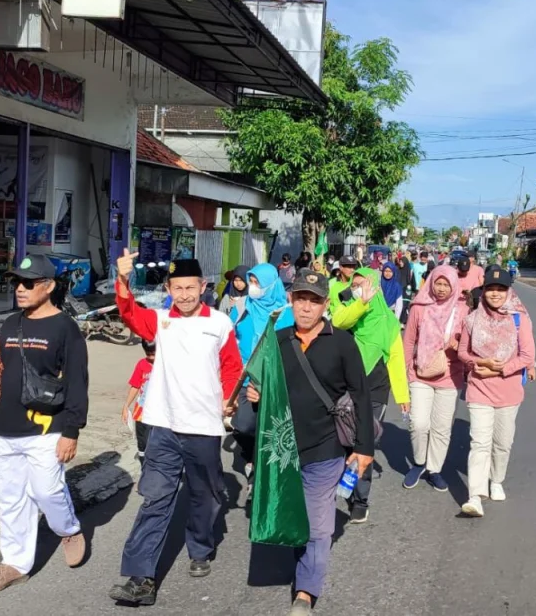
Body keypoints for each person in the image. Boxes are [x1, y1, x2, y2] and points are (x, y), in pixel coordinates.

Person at [109, 251, 243, 606]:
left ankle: (200, 547)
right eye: (177, 288)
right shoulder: (158, 321)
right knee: (155, 497)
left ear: (203, 287)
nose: (184, 295)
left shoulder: (219, 323)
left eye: (190, 287)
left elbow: (232, 368)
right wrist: (122, 281)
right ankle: (141, 578)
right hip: (163, 426)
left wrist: (229, 399)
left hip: (204, 427)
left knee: (205, 495)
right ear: (168, 289)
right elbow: (128, 313)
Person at [243, 269, 374, 615]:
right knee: (290, 513)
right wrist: (256, 394)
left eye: (314, 300)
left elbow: (360, 395)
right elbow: (260, 387)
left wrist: (364, 449)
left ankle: (305, 591)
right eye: (301, 298)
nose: (306, 307)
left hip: (326, 447)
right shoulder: (278, 340)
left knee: (317, 523)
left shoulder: (342, 341)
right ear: (290, 299)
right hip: (283, 451)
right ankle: (301, 562)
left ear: (325, 305)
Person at [0, 254, 88, 592]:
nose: (20, 289)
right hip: (7, 428)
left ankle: (67, 529)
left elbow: (77, 382)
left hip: (48, 429)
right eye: (17, 282)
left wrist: (72, 432)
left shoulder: (66, 328)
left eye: (28, 283)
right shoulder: (10, 324)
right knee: (11, 499)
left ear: (48, 287)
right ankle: (15, 564)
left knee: (46, 490)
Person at [331, 268, 410, 522]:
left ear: (375, 286)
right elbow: (337, 322)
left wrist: (402, 395)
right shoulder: (350, 312)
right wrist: (360, 303)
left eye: (362, 284)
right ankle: (341, 486)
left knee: (364, 442)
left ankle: (360, 500)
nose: (357, 288)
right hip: (345, 387)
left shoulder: (388, 321)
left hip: (376, 390)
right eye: (354, 285)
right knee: (344, 440)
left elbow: (396, 358)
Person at [457, 266, 536, 518]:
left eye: (501, 289)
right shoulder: (472, 319)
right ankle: (474, 496)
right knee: (480, 442)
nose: (495, 294)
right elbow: (462, 353)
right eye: (491, 289)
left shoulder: (518, 319)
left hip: (509, 391)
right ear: (484, 291)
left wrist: (501, 369)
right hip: (479, 388)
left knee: (502, 443)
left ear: (508, 292)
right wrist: (479, 365)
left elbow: (527, 355)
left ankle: (497, 480)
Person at [230, 263, 295, 493]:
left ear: (271, 285)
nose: (253, 287)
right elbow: (229, 341)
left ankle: (263, 473)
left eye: (258, 283)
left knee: (273, 430)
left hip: (277, 382)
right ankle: (250, 455)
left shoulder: (287, 313)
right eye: (251, 282)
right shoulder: (241, 308)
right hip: (246, 381)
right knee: (243, 426)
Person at [401, 265, 466, 492]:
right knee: (418, 423)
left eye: (446, 284)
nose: (440, 289)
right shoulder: (419, 307)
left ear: (453, 286)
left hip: (451, 376)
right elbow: (408, 341)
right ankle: (419, 462)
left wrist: (458, 346)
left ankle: (434, 469)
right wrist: (407, 372)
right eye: (437, 283)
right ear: (430, 283)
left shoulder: (462, 310)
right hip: (421, 373)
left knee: (441, 427)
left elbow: (469, 345)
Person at [124, 340, 157, 467]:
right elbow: (135, 385)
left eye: (154, 354)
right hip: (141, 413)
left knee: (157, 445)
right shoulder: (142, 364)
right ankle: (145, 469)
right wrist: (126, 406)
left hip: (160, 415)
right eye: (148, 354)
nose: (151, 358)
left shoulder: (167, 365)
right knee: (142, 443)